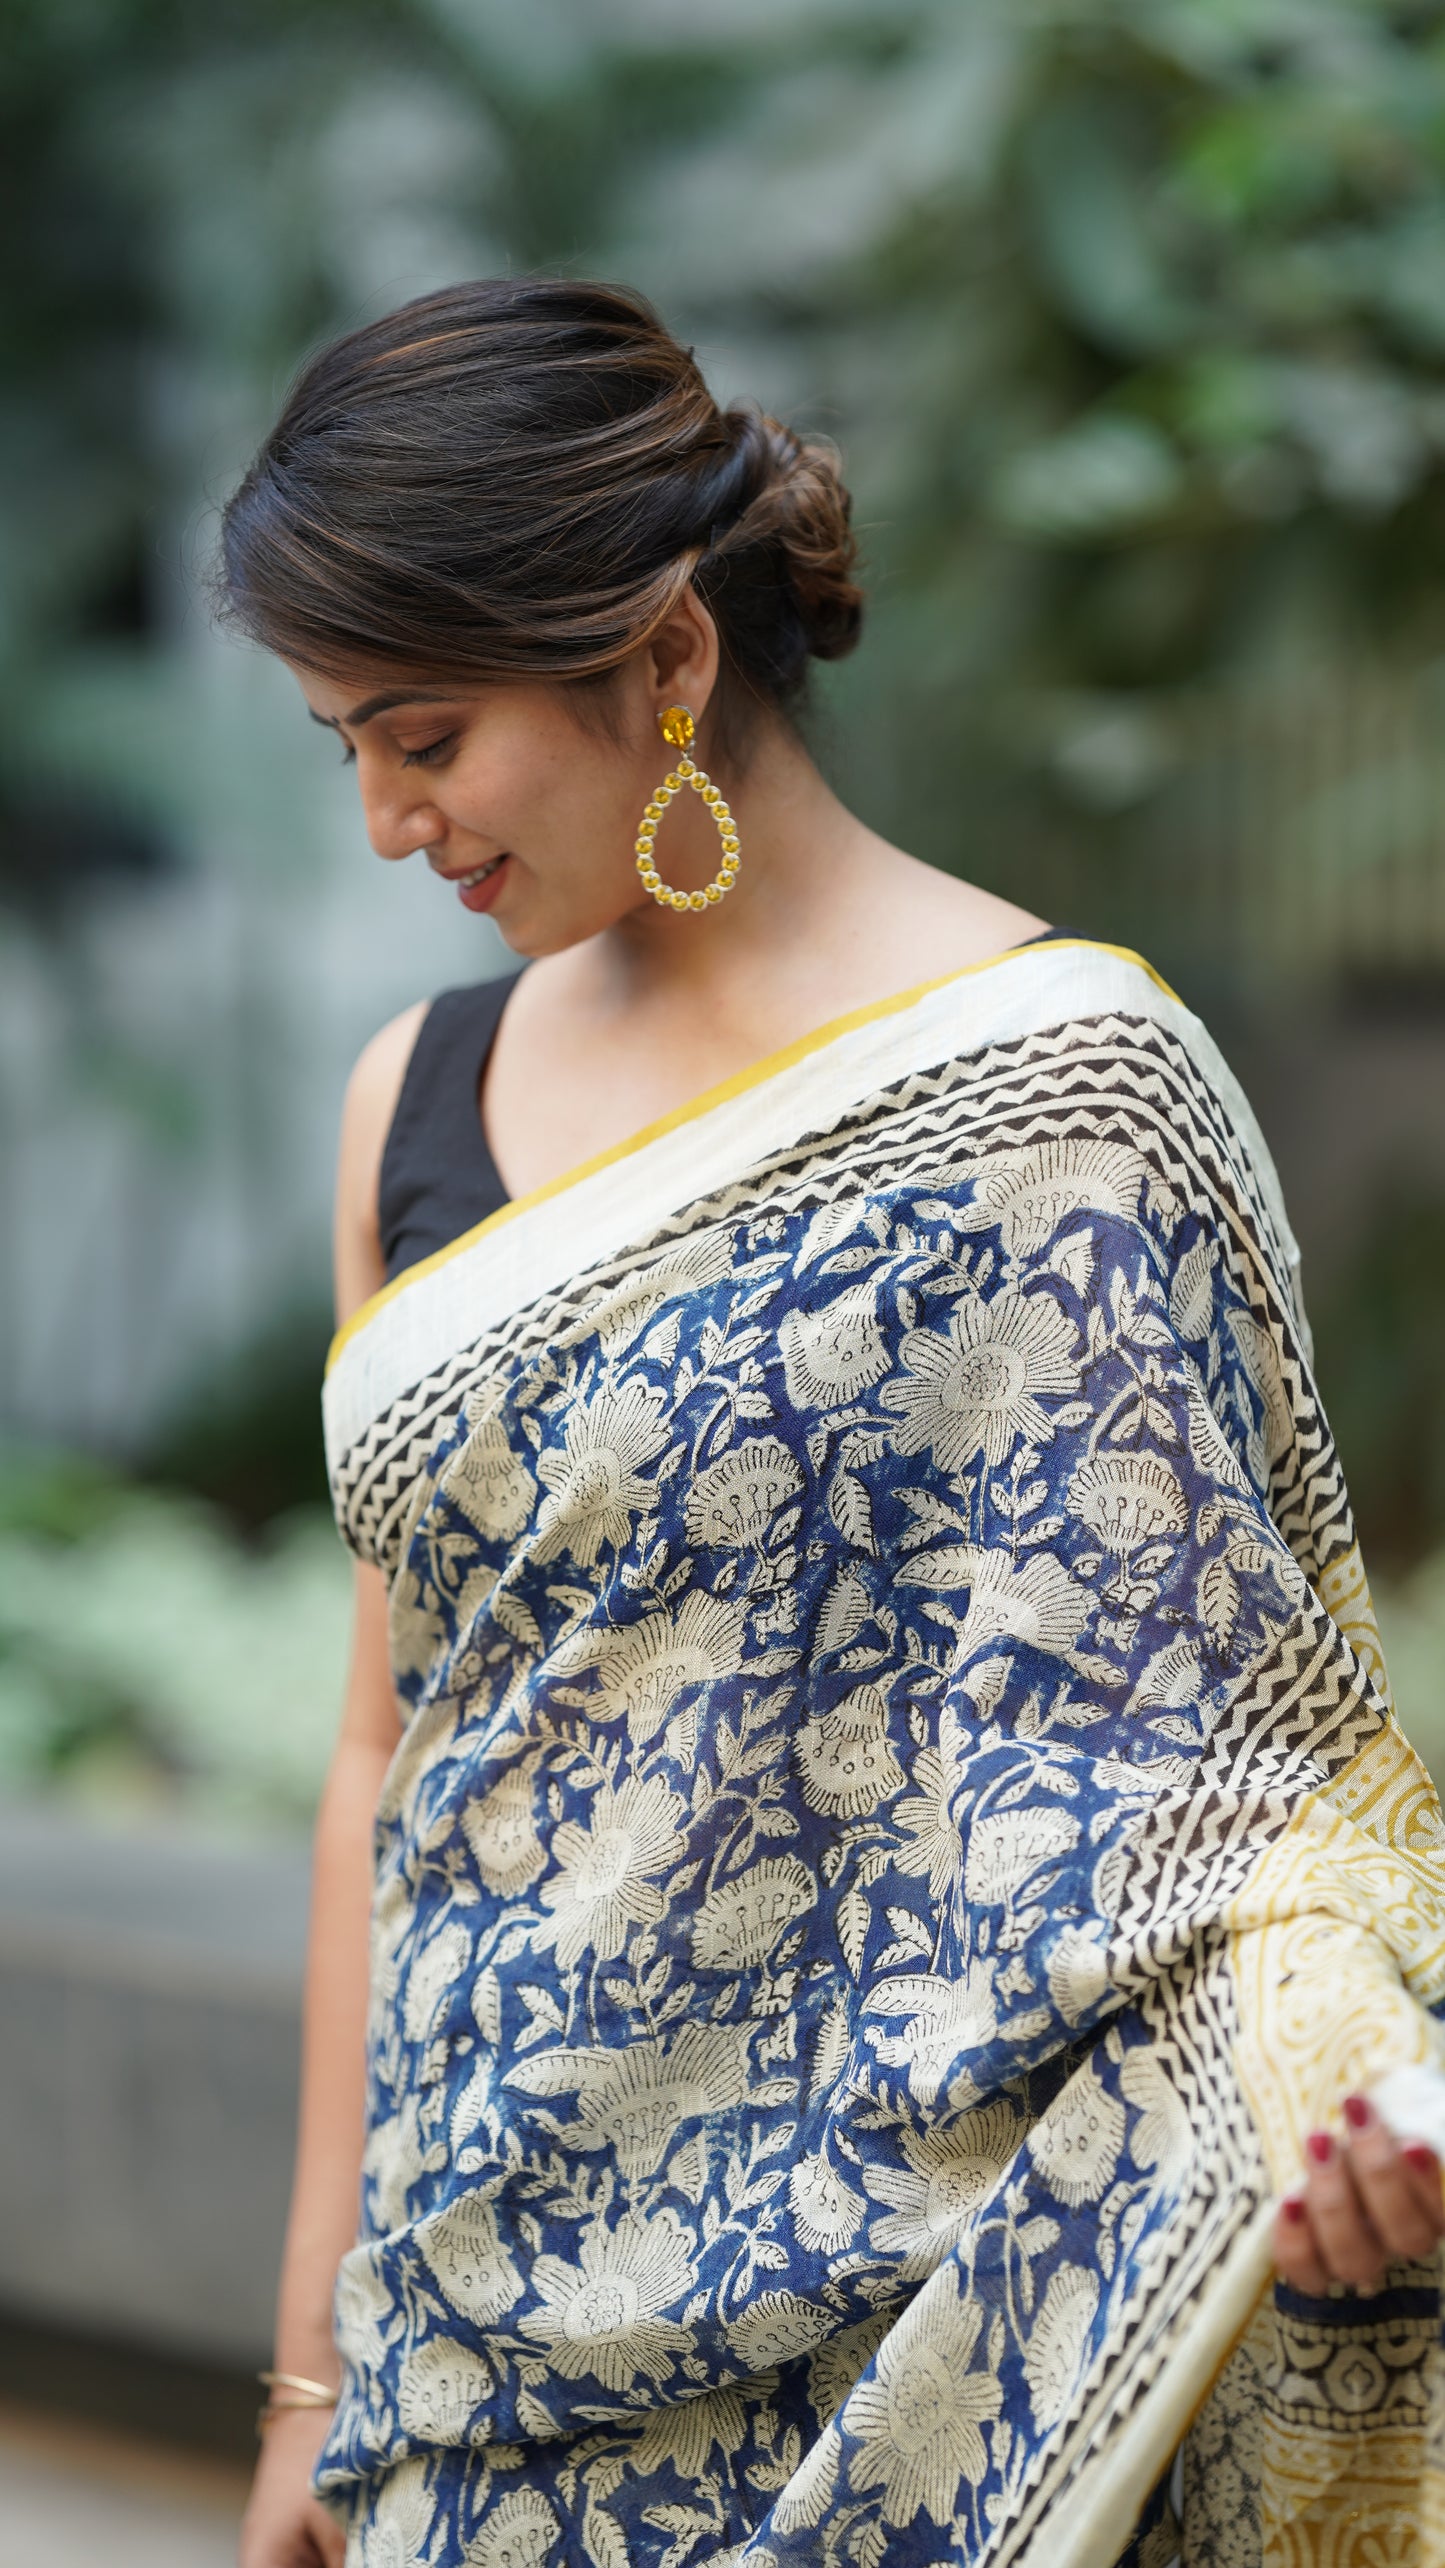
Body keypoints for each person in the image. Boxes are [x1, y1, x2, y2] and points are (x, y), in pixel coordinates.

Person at [224, 280, 1445, 2568]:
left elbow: (1226, 1777)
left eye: (426, 736)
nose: (392, 820)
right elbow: (389, 1762)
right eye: (343, 750)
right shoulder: (421, 1105)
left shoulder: (1066, 1093)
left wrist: (1353, 2092)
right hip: (481, 2389)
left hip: (944, 2364)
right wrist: (318, 2368)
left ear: (666, 660)